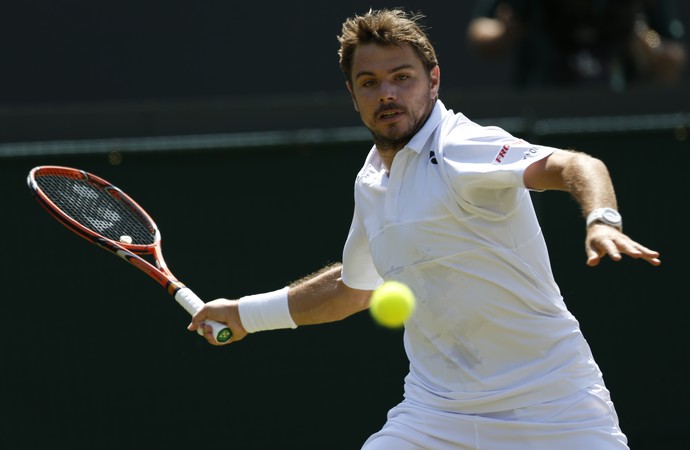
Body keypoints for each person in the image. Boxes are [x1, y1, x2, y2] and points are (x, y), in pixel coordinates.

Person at [188, 8, 661, 450]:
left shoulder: (463, 145)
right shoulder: (372, 180)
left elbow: (574, 163)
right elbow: (353, 289)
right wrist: (245, 314)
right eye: (369, 83)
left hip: (556, 410)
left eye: (402, 78)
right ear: (353, 97)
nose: (387, 94)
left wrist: (602, 219)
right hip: (436, 416)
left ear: (433, 81)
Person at [466, 0, 687, 90]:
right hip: (544, 108)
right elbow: (480, 30)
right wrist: (507, 31)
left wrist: (642, 36)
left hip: (619, 109)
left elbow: (673, 57)